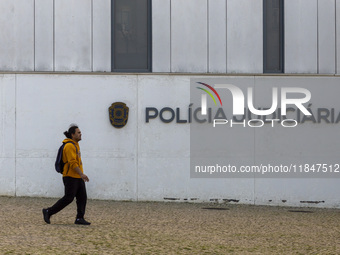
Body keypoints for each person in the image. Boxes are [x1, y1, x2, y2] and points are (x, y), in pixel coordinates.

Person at [42, 125, 91, 225]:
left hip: (77, 177)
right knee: (68, 198)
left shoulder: (75, 145)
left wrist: (80, 175)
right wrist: (82, 174)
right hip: (70, 177)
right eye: (78, 132)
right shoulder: (69, 146)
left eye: (80, 132)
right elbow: (72, 163)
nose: (81, 134)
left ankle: (79, 218)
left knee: (82, 197)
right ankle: (48, 211)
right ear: (73, 135)